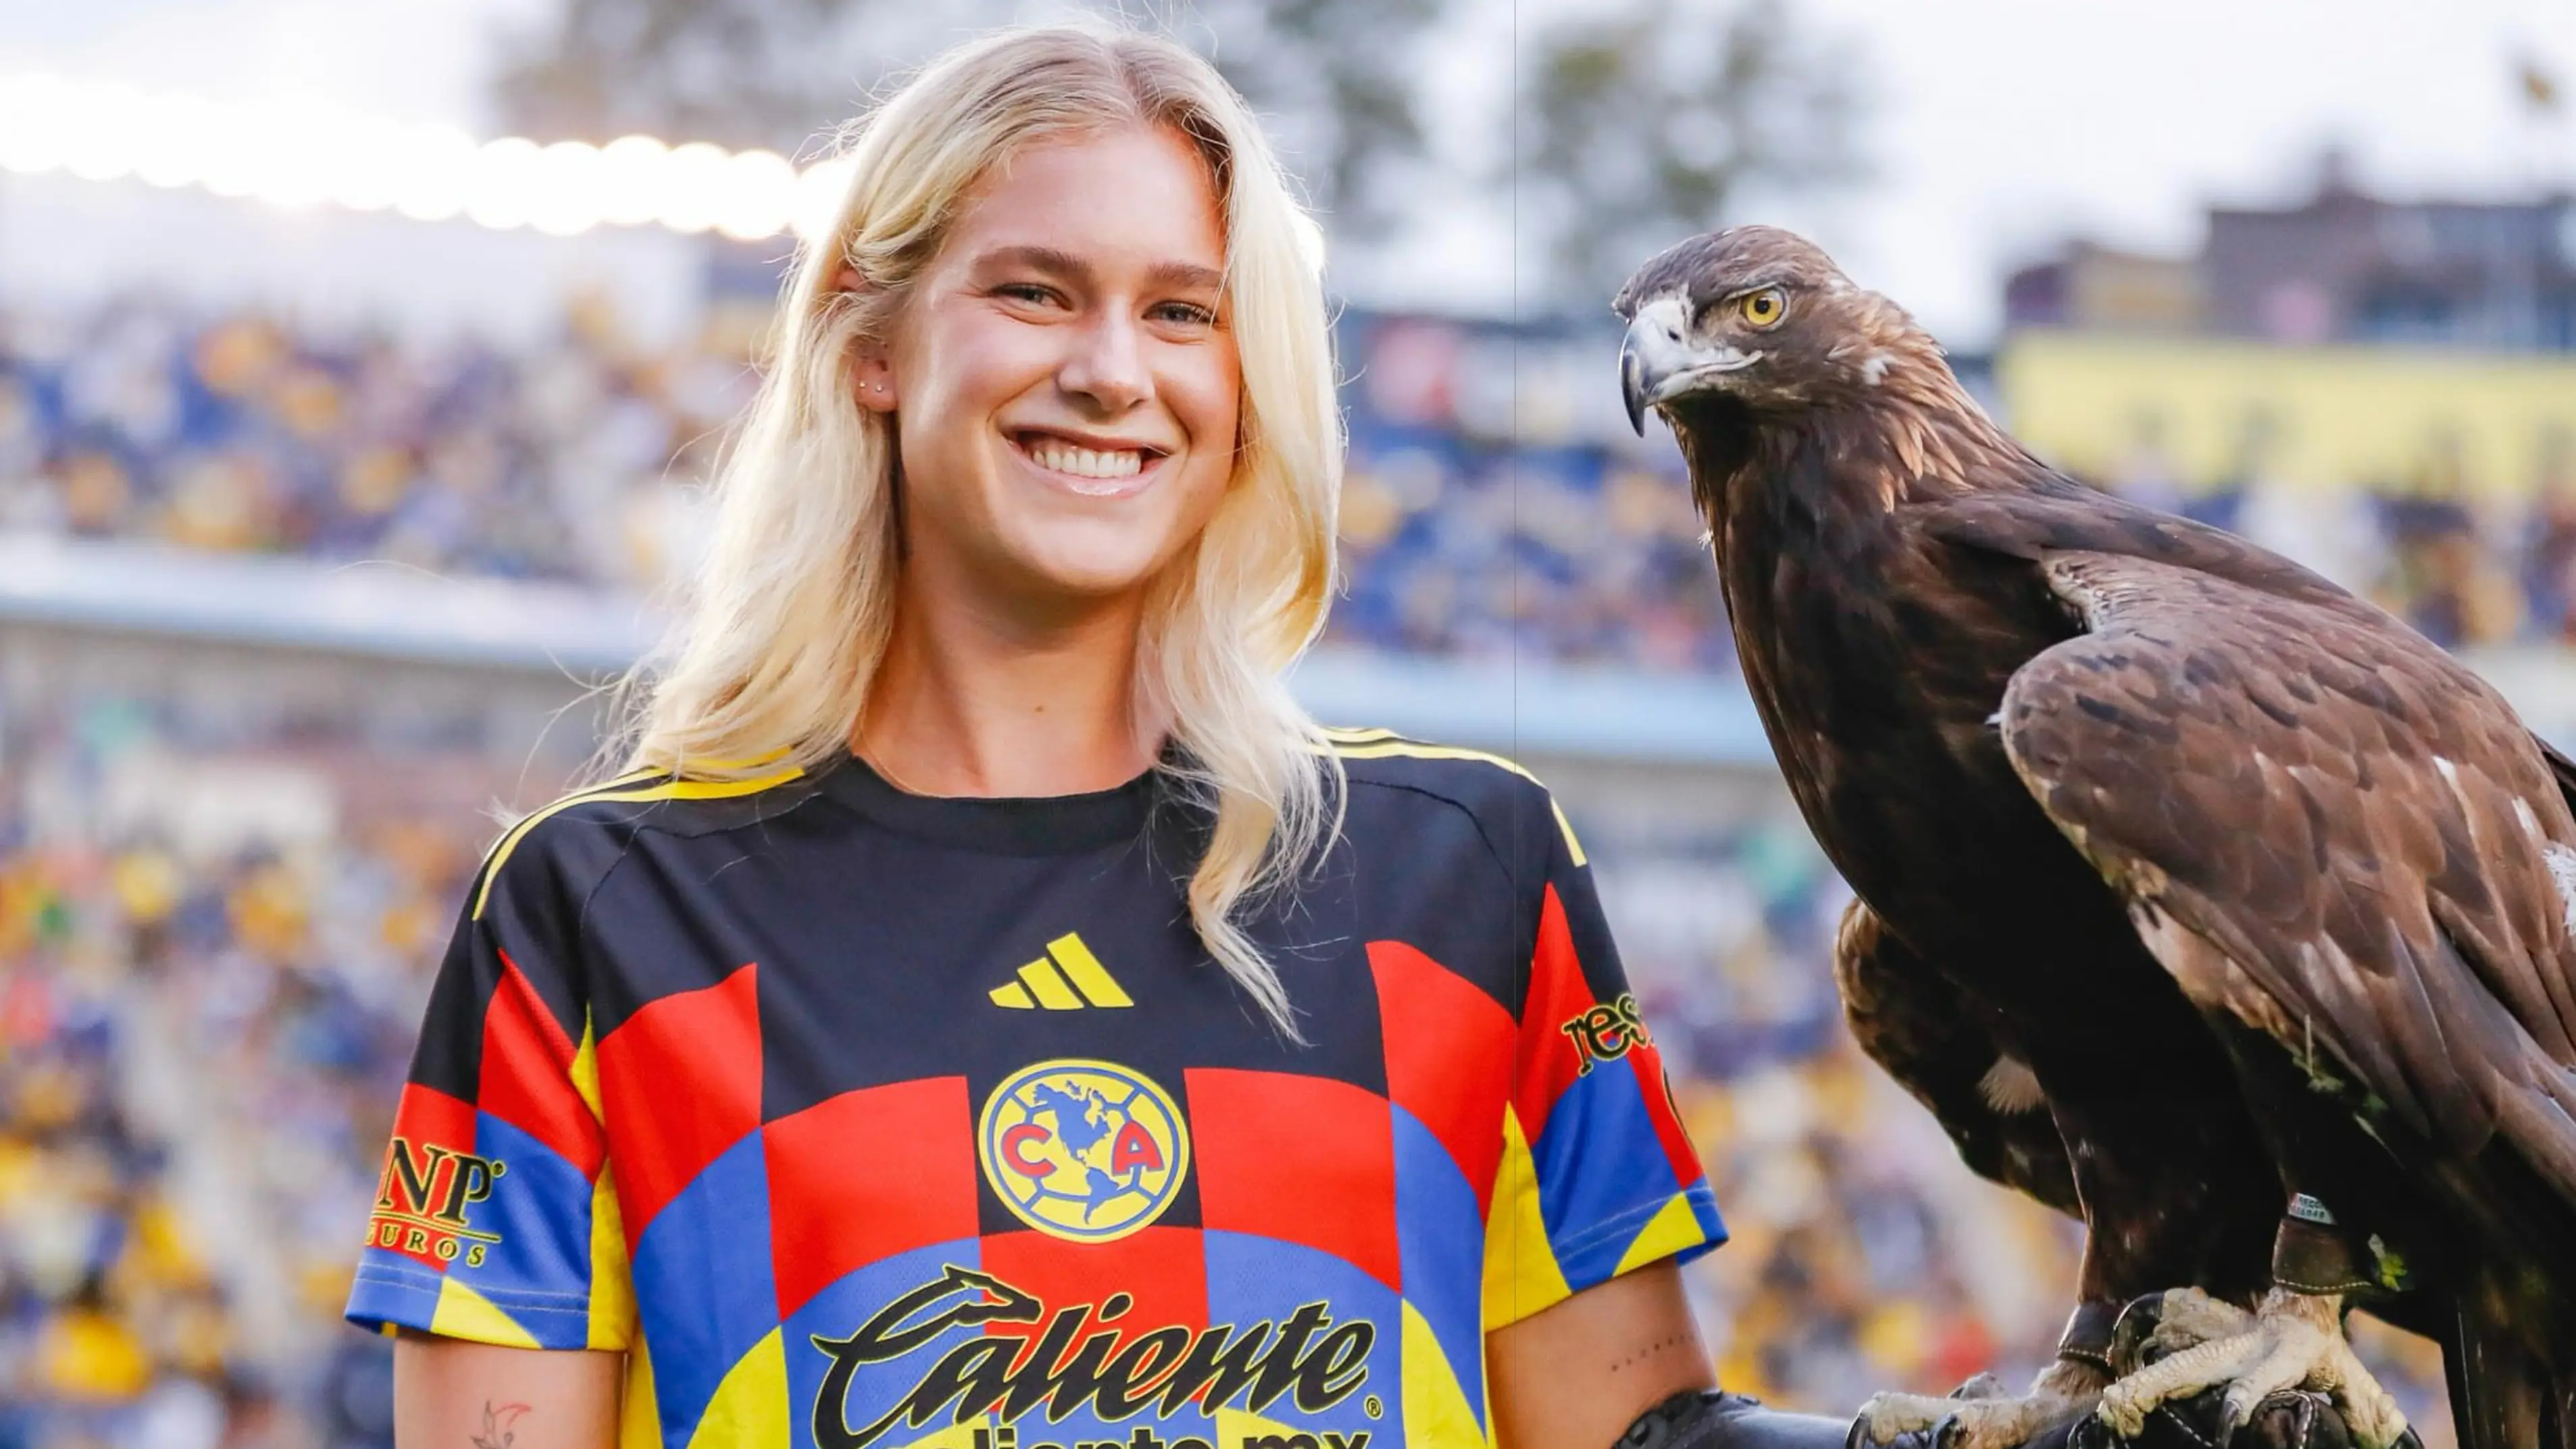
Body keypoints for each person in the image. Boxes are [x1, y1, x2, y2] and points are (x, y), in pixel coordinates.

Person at [342, 21, 2365, 1449]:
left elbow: (1624, 1438)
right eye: (1035, 294)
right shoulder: (601, 911)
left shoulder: (1463, 870)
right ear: (871, 345)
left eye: (1182, 310)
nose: (1109, 374)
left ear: (1252, 377)